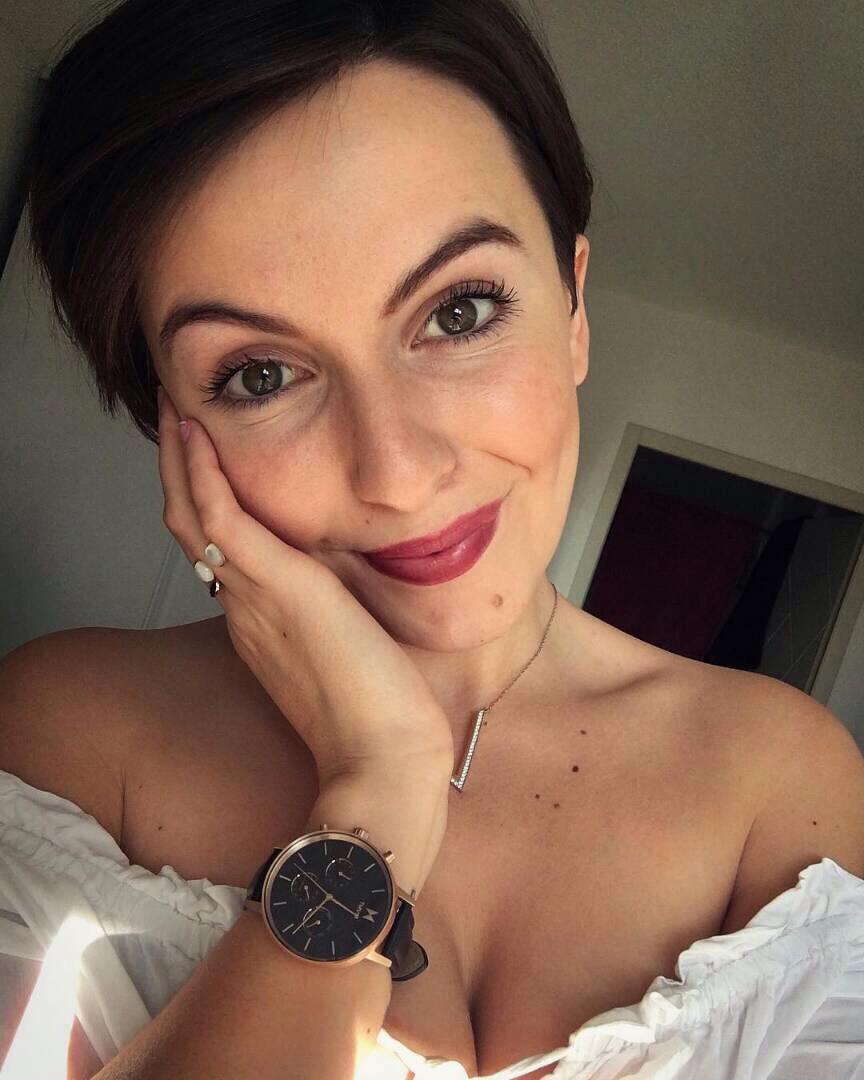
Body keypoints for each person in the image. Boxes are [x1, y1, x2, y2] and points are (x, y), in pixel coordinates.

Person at [2, 2, 863, 1078]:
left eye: (459, 313)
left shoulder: (778, 782)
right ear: (171, 425)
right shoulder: (68, 737)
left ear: (574, 308)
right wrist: (378, 786)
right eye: (260, 376)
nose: (397, 473)